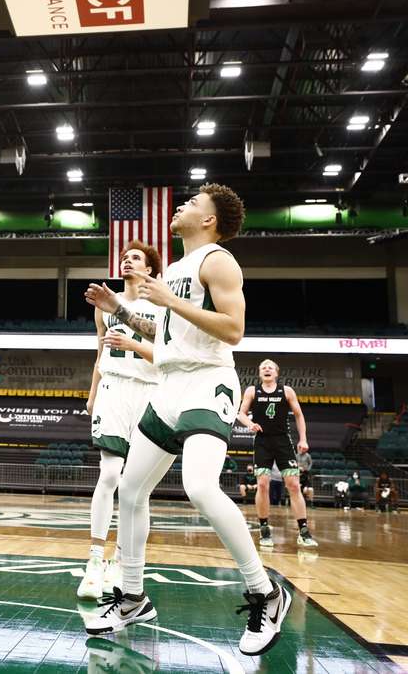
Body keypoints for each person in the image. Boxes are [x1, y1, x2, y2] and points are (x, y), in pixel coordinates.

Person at [83, 184, 291, 656]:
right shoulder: (175, 269)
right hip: (170, 384)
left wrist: (171, 301)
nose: (181, 206)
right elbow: (168, 331)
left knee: (200, 487)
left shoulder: (217, 261)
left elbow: (234, 330)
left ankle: (265, 591)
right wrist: (119, 310)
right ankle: (133, 597)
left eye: (193, 203)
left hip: (207, 381)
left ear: (209, 221)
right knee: (130, 489)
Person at [77, 241, 164, 600]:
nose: (128, 261)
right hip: (113, 389)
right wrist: (92, 393)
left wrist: (135, 347)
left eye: (137, 258)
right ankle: (94, 561)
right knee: (110, 474)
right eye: (126, 257)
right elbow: (100, 353)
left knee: (134, 485)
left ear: (151, 271)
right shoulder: (105, 306)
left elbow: (166, 353)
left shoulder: (162, 307)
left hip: (148, 390)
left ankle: (121, 559)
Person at [236, 360, 318, 548]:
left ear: (276, 373)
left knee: (294, 485)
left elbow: (299, 415)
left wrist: (303, 439)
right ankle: (264, 529)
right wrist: (250, 425)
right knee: (263, 484)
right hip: (263, 441)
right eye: (263, 367)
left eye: (270, 367)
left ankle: (303, 531)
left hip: (282, 441)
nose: (266, 369)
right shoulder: (251, 391)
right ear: (259, 373)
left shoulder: (287, 391)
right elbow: (240, 413)